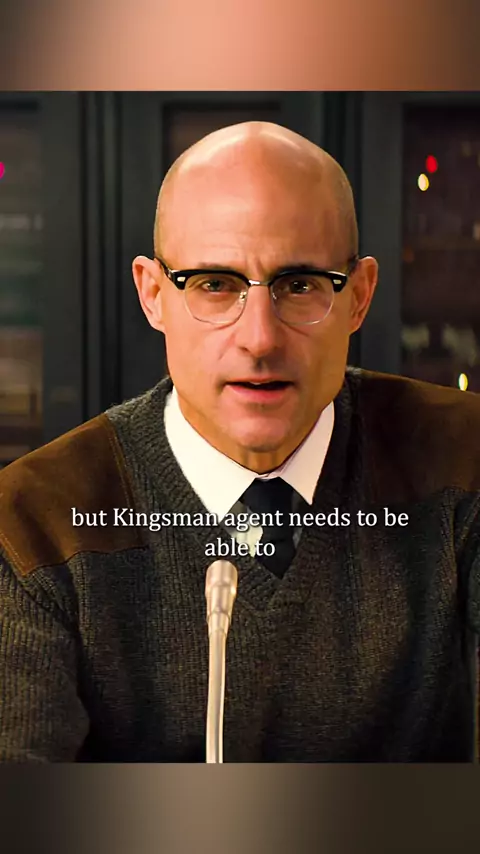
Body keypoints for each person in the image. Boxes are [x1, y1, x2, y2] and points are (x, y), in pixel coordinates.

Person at [0, 121, 479, 763]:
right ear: (153, 295)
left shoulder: (465, 463)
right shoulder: (32, 524)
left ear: (359, 297)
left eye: (301, 284)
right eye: (215, 284)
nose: (260, 338)